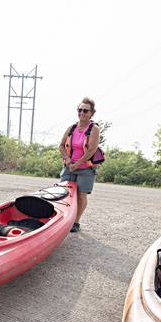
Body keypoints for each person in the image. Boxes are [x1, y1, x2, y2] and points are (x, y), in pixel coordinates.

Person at [59, 97, 101, 232]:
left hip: (85, 169)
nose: (82, 113)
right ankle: (64, 218)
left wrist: (78, 163)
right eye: (80, 110)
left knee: (81, 195)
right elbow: (61, 146)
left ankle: (75, 222)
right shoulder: (71, 128)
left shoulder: (94, 129)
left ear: (91, 113)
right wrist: (67, 160)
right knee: (64, 193)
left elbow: (91, 150)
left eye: (85, 110)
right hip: (69, 166)